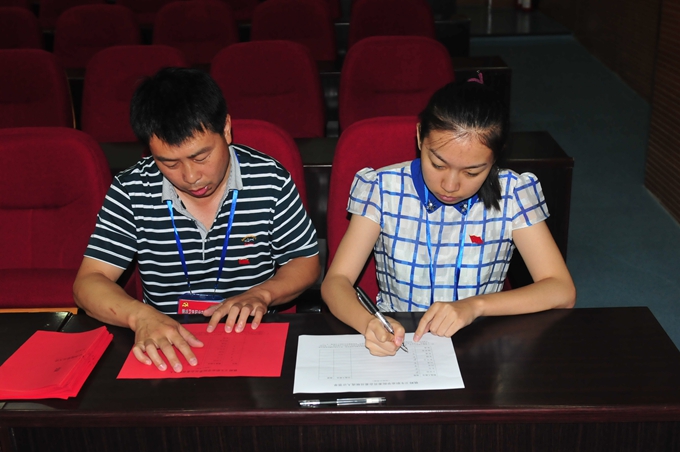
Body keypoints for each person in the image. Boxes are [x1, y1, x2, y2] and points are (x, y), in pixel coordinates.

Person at [74, 67, 320, 372]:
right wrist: (140, 317)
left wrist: (262, 294)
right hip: (164, 343)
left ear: (226, 129)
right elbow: (89, 282)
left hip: (251, 338)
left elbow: (305, 261)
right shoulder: (131, 189)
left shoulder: (269, 178)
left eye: (200, 157)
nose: (191, 177)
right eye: (169, 163)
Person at [321, 79, 576, 356]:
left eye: (472, 172)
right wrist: (369, 323)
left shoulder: (513, 193)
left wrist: (475, 306)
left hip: (480, 340)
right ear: (420, 136)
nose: (450, 185)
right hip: (402, 340)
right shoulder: (382, 189)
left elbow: (561, 289)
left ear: (496, 157)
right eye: (438, 164)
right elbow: (336, 282)